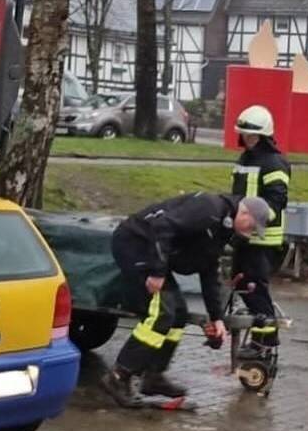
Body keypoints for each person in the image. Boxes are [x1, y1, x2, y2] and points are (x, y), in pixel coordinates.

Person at [100, 193, 272, 407]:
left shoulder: (223, 229)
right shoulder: (209, 209)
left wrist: (217, 318)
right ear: (244, 212)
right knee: (162, 313)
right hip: (136, 244)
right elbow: (162, 226)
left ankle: (154, 376)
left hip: (153, 254)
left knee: (178, 315)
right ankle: (118, 376)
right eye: (252, 226)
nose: (252, 232)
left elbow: (209, 272)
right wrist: (157, 272)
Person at [230, 106, 290, 352]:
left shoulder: (274, 163)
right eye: (244, 134)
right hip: (244, 235)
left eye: (251, 135)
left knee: (255, 288)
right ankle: (261, 335)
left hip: (264, 239)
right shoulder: (245, 159)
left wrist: (255, 220)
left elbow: (277, 200)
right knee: (242, 283)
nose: (246, 138)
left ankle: (265, 339)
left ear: (264, 135)